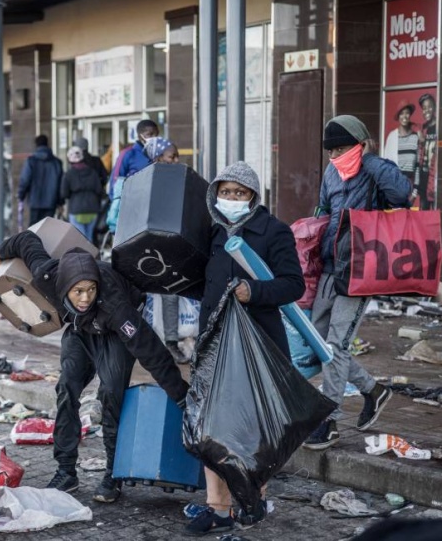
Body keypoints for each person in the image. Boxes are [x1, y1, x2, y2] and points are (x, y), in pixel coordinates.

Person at [0, 232, 189, 504]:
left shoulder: (115, 306)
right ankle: (65, 471)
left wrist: (182, 396)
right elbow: (26, 240)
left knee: (111, 393)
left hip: (114, 333)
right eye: (77, 292)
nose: (85, 297)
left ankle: (113, 473)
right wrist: (1, 252)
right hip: (80, 330)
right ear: (64, 288)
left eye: (90, 289)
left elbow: (152, 352)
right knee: (66, 388)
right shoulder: (48, 275)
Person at [184, 162, 305, 536]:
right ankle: (217, 508)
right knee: (211, 429)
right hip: (215, 345)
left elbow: (293, 285)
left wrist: (254, 292)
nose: (232, 199)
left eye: (240, 193)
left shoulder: (274, 232)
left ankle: (253, 500)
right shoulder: (213, 233)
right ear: (215, 195)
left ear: (253, 197)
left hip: (258, 346)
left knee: (252, 432)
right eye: (226, 192)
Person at [303, 115, 412, 450]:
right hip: (330, 267)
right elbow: (323, 210)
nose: (337, 154)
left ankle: (330, 420)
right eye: (332, 149)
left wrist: (368, 160)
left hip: (361, 271)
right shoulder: (331, 172)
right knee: (319, 343)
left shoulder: (377, 168)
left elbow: (402, 195)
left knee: (336, 346)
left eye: (343, 147)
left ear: (361, 143)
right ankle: (374, 390)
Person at [141, 137, 189, 364]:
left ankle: (171, 342)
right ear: (158, 158)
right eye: (172, 156)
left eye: (177, 156)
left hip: (172, 242)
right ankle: (141, 341)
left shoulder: (180, 179)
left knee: (172, 292)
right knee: (143, 293)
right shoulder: (145, 181)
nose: (177, 160)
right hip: (148, 245)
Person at [107, 119, 159, 200]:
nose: (154, 138)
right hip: (131, 203)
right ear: (139, 136)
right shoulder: (128, 154)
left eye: (156, 135)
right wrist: (117, 203)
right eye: (150, 134)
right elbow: (115, 180)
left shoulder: (160, 154)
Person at [60, 146, 104, 242]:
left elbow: (64, 194)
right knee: (89, 238)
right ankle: (90, 255)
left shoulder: (68, 174)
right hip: (93, 209)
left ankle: (84, 256)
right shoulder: (93, 173)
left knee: (80, 240)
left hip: (76, 210)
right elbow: (99, 190)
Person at [18, 134, 64, 225]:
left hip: (35, 202)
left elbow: (25, 180)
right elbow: (60, 184)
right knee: (47, 229)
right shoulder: (57, 162)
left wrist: (21, 196)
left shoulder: (31, 161)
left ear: (36, 145)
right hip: (51, 202)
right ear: (47, 144)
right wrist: (60, 202)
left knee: (34, 231)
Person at [418, 93, 437, 210]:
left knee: (435, 212)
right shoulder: (423, 129)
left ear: (434, 107)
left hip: (435, 176)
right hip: (424, 176)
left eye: (429, 106)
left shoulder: (441, 126)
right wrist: (422, 142)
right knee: (423, 211)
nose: (427, 110)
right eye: (424, 108)